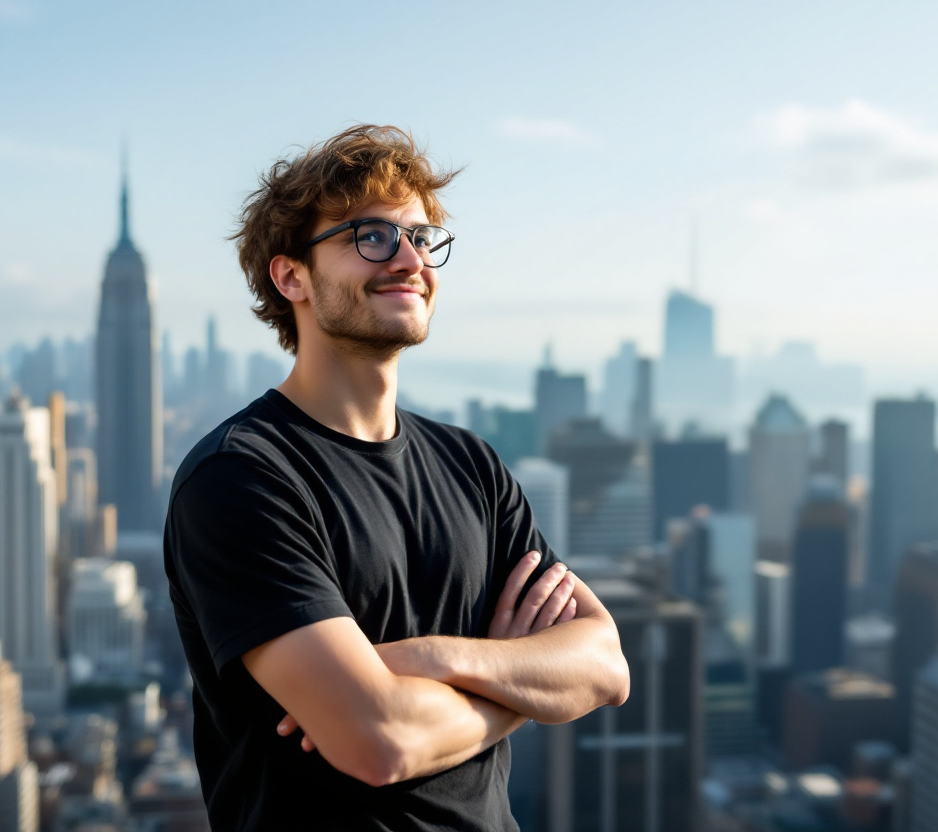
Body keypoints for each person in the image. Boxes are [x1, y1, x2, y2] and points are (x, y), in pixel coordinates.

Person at [164, 125, 630, 831]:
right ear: (291, 277)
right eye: (371, 236)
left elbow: (603, 667)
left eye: (421, 237)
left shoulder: (471, 464)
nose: (410, 258)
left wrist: (427, 659)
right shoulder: (241, 477)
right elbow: (378, 742)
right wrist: (519, 681)